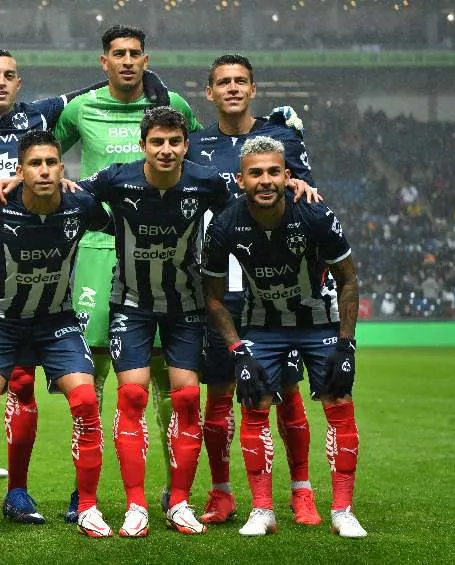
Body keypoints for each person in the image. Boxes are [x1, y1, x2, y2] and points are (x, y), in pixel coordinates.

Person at [0, 48, 110, 526]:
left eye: (10, 75)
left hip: (37, 274)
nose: (2, 82)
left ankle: (19, 491)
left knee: (24, 385)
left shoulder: (38, 116)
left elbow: (85, 92)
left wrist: (148, 83)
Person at [53, 25, 201, 521]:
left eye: (136, 53)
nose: (127, 61)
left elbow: (205, 159)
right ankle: (84, 492)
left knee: (165, 378)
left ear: (146, 58)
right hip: (97, 248)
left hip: (163, 252)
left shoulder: (170, 104)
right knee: (89, 372)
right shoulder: (82, 107)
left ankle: (171, 492)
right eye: (118, 54)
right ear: (104, 62)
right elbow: (43, 154)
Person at [76, 107, 230, 536]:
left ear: (185, 145)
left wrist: (293, 185)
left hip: (186, 306)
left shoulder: (206, 182)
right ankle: (136, 506)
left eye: (174, 142)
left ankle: (179, 502)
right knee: (133, 398)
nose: (166, 150)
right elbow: (73, 196)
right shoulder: (117, 178)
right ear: (143, 145)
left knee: (184, 401)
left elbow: (247, 204)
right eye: (157, 142)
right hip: (131, 304)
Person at [202, 136, 366, 538]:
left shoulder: (314, 213)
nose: (265, 180)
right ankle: (263, 511)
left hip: (319, 322)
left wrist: (346, 345)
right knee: (254, 403)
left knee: (338, 401)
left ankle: (342, 511)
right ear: (241, 180)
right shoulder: (225, 224)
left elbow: (348, 280)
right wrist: (238, 350)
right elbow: (214, 298)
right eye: (255, 173)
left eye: (274, 171)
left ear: (287, 176)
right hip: (263, 324)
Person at [0, 130, 111, 540]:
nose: (44, 170)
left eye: (51, 163)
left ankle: (89, 507)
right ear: (20, 171)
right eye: (35, 164)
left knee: (86, 400)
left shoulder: (82, 205)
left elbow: (120, 223)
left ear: (62, 168)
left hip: (57, 321)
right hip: (1, 321)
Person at [188, 54, 321, 526]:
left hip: (276, 292)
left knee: (286, 390)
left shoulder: (283, 138)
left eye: (240, 81)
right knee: (221, 392)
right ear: (209, 92)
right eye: (223, 82)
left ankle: (301, 491)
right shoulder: (196, 145)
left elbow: (306, 194)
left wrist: (303, 185)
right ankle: (221, 492)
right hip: (222, 291)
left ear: (253, 88)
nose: (232, 89)